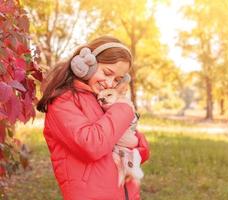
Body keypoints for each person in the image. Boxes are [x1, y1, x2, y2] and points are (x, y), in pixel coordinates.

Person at [37, 35, 150, 200]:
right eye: (107, 73)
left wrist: (137, 143)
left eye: (118, 79)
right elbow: (91, 145)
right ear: (87, 65)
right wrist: (123, 109)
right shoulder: (63, 101)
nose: (110, 83)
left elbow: (140, 150)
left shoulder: (102, 99)